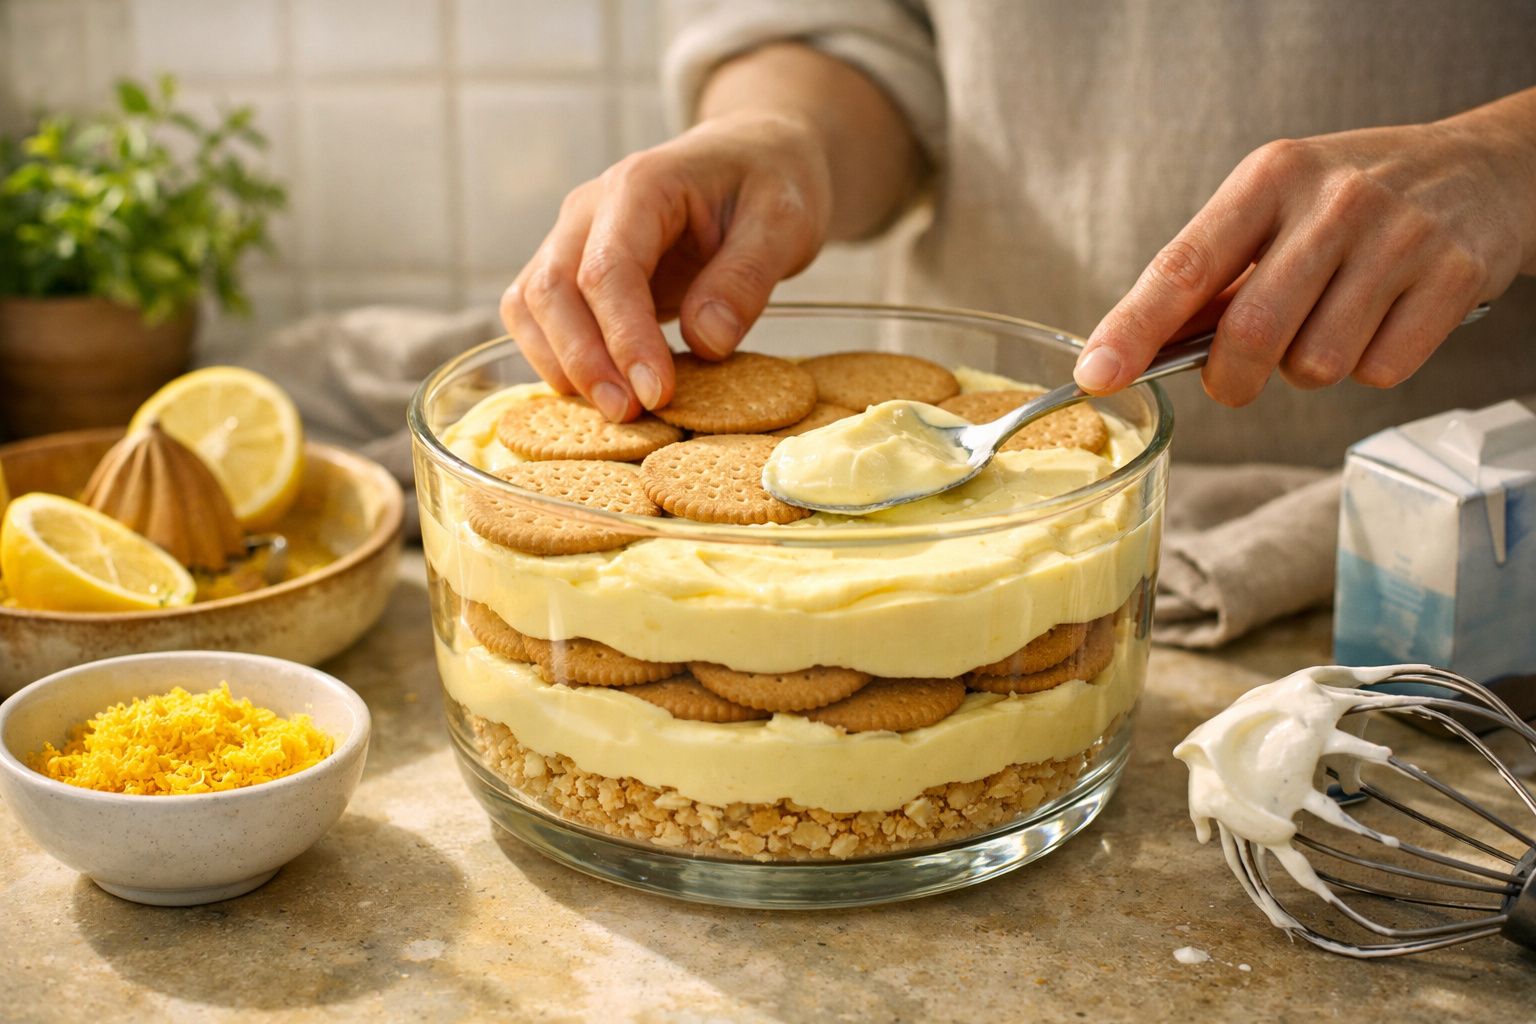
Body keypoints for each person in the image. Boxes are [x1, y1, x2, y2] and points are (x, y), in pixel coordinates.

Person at [498, 1, 1536, 464]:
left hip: (1481, 519)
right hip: (987, 438)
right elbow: (858, 22)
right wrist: (782, 135)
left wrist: (1507, 156)